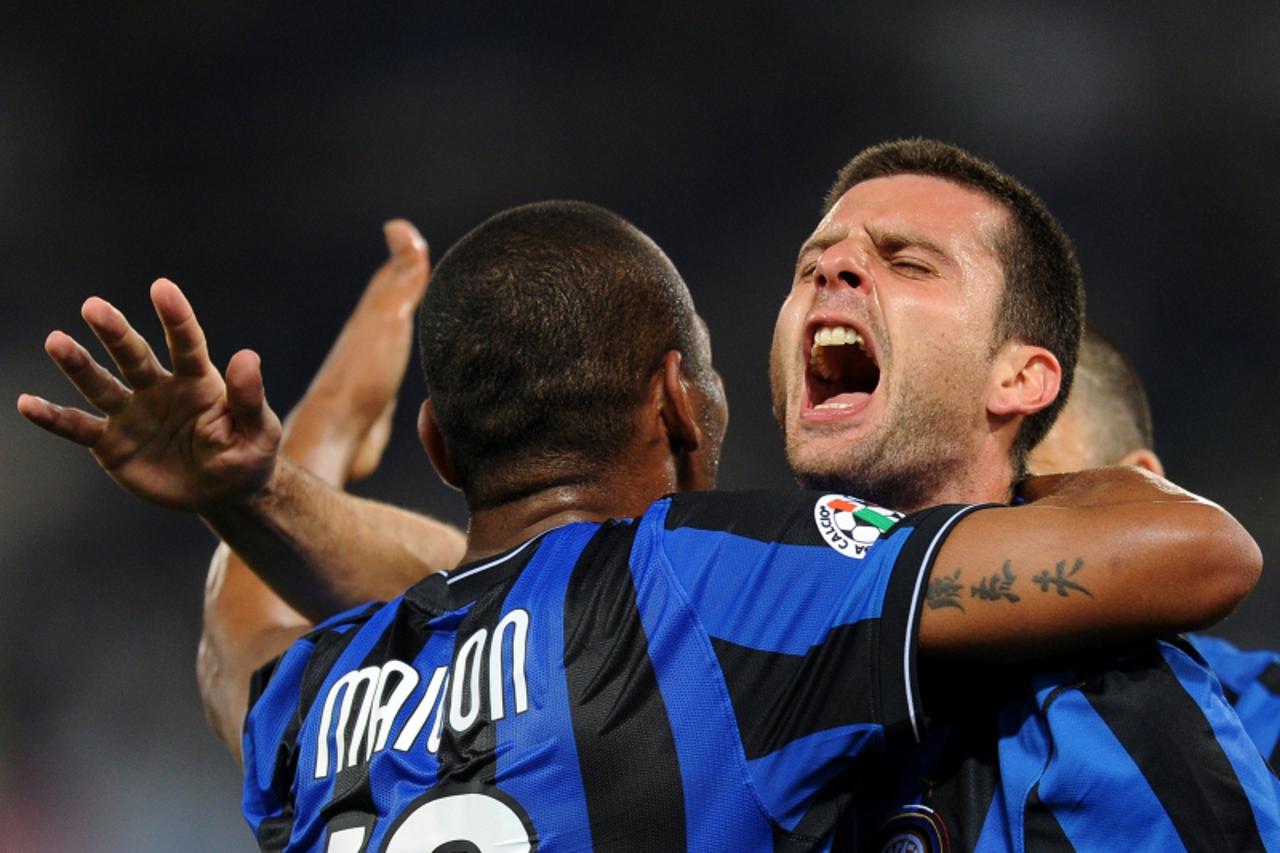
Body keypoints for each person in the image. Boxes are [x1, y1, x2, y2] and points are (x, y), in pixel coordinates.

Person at [18, 197, 1262, 850]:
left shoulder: (305, 697)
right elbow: (1194, 550)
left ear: (440, 448)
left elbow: (252, 615)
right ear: (683, 402)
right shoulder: (714, 588)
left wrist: (269, 470)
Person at [1027, 326, 1280, 771]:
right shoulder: (887, 724)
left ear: (1140, 493)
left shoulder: (1267, 724)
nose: (981, 531)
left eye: (1023, 494)